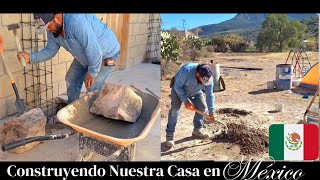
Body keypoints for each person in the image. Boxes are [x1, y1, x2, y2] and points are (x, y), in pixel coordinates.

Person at [17, 13, 120, 104]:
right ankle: (72, 109)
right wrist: (30, 57)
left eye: (48, 27)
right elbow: (50, 50)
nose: (47, 30)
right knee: (71, 78)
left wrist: (92, 72)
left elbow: (94, 50)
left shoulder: (76, 21)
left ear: (57, 17)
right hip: (85, 55)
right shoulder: (53, 31)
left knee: (92, 86)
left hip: (105, 54)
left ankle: (93, 116)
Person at [165, 63, 215, 147]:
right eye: (203, 80)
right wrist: (186, 101)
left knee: (202, 106)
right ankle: (169, 136)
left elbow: (210, 95)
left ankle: (197, 130)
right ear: (198, 74)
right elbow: (177, 86)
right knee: (175, 110)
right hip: (179, 90)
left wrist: (211, 112)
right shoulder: (186, 71)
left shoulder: (209, 78)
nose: (205, 82)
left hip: (196, 91)